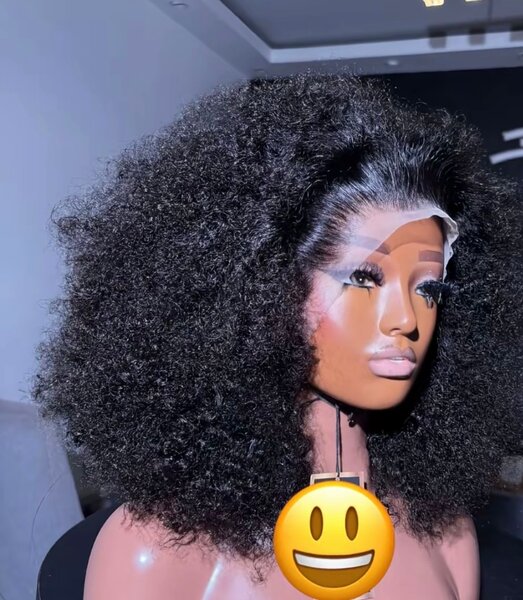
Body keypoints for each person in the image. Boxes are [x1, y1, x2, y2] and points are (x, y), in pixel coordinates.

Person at [31, 73, 522, 599]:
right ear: (262, 288)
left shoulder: (447, 534)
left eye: (428, 287)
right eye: (362, 278)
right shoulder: (159, 552)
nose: (406, 319)